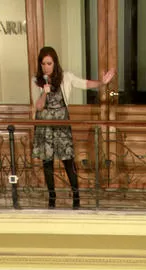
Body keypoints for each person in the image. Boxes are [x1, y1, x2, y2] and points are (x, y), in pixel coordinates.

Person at [32, 46, 115, 209]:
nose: (46, 67)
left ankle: (76, 197)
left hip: (61, 124)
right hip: (45, 126)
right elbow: (39, 106)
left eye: (49, 63)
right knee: (47, 162)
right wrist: (44, 91)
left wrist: (101, 83)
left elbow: (84, 83)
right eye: (43, 64)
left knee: (68, 161)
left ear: (55, 63)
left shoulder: (66, 77)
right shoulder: (37, 81)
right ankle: (52, 198)